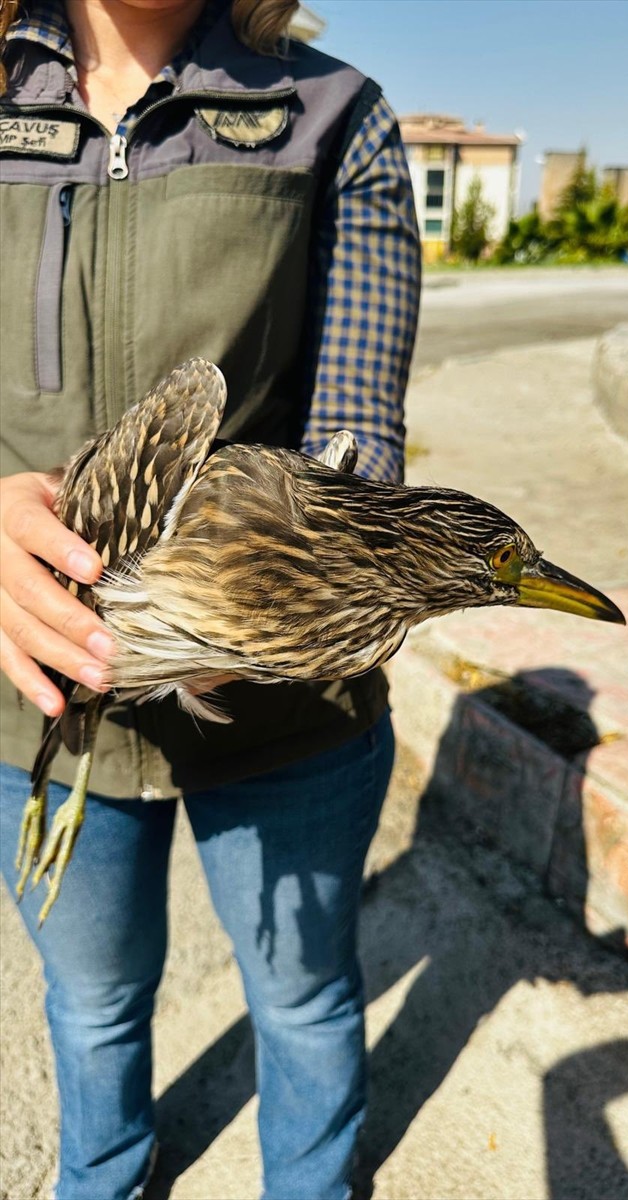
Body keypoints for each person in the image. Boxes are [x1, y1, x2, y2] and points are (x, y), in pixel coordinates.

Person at [0, 1, 421, 1197]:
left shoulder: (339, 114)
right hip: (37, 697)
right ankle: (106, 1179)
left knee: (301, 994)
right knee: (90, 999)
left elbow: (358, 445)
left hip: (284, 711)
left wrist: (275, 610)